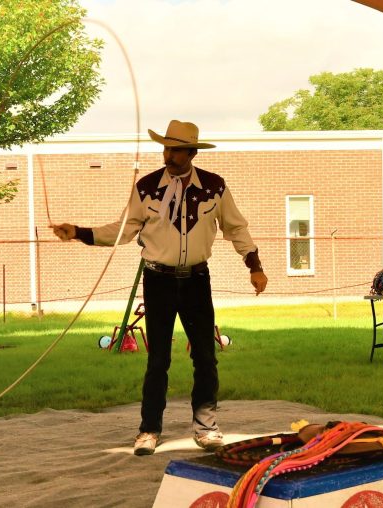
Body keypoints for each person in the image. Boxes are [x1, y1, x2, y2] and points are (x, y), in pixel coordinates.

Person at [51, 120, 268, 455]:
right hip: (158, 280)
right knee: (158, 359)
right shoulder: (147, 187)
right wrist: (79, 232)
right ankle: (148, 430)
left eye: (176, 149)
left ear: (192, 152)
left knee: (205, 356)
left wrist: (255, 267)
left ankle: (206, 428)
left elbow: (236, 228)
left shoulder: (214, 187)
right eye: (166, 148)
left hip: (196, 279)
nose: (168, 155)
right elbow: (122, 230)